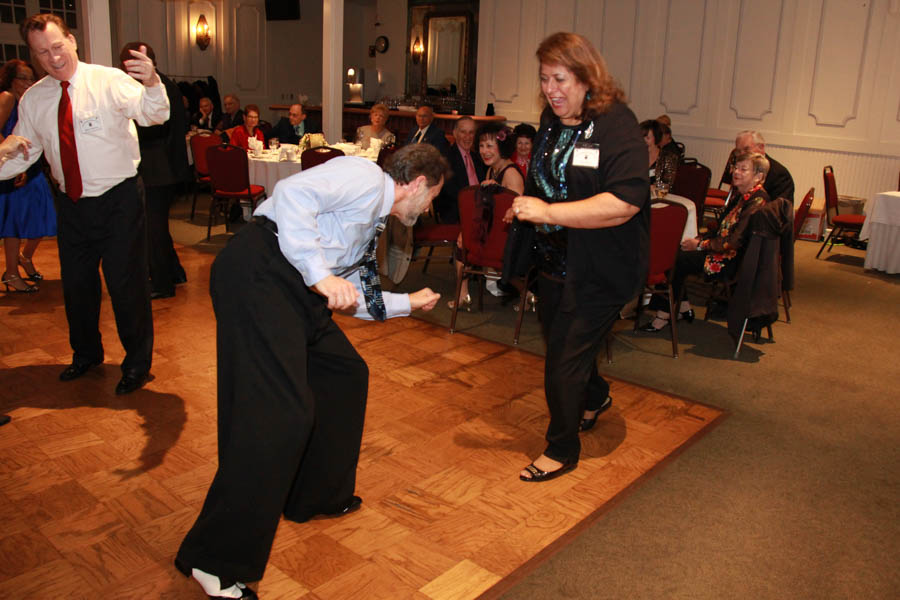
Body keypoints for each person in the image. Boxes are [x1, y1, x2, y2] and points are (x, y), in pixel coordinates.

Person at [175, 143, 448, 599]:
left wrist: (408, 303)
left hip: (297, 290)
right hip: (260, 276)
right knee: (278, 417)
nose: (430, 206)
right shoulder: (364, 178)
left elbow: (355, 295)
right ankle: (213, 560)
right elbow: (293, 194)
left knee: (345, 375)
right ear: (418, 183)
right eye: (433, 195)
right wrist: (320, 274)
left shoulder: (375, 217)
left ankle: (315, 494)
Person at [0, 13, 169, 395]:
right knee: (77, 286)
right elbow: (24, 153)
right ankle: (86, 354)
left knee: (126, 286)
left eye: (57, 46)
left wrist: (153, 82)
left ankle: (137, 363)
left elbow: (154, 114)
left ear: (72, 41)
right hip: (72, 204)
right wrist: (1, 154)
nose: (53, 57)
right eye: (42, 52)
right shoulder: (36, 97)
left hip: (119, 200)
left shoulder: (109, 81)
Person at [509, 32, 649, 482]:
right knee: (564, 344)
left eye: (561, 78)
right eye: (545, 79)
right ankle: (596, 396)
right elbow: (547, 179)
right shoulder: (552, 122)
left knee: (563, 359)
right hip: (553, 263)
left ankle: (561, 448)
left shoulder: (615, 123)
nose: (551, 89)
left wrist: (549, 211)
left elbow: (625, 201)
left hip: (601, 267)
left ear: (587, 77)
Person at [639, 151, 770, 332]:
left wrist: (700, 245)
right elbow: (720, 229)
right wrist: (699, 239)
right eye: (736, 168)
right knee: (677, 251)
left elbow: (733, 241)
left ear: (758, 177)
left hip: (732, 261)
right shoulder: (743, 195)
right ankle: (682, 307)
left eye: (743, 169)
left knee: (675, 259)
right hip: (724, 251)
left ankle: (663, 316)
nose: (736, 172)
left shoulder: (757, 202)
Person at [118, 42, 190, 300]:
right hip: (164, 168)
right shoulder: (167, 85)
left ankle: (161, 283)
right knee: (156, 227)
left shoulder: (152, 89)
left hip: (156, 169)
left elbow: (153, 131)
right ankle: (175, 272)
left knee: (152, 229)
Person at [448, 123, 525, 311]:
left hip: (513, 235)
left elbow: (517, 211)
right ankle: (463, 295)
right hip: (496, 230)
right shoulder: (492, 170)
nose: (484, 151)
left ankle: (527, 293)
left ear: (502, 147)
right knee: (461, 243)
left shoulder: (511, 173)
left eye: (490, 146)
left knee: (473, 247)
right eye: (481, 146)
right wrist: (466, 232)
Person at [0, 59, 56, 294]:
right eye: (22, 77)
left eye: (31, 78)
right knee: (14, 223)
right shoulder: (7, 97)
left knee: (43, 218)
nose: (28, 83)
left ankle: (24, 258)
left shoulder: (29, 101)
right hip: (13, 169)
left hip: (30, 168)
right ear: (11, 79)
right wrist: (12, 166)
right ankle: (11, 272)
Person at [434, 116, 484, 224]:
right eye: (463, 132)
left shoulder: (478, 158)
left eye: (471, 132)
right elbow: (451, 193)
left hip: (479, 212)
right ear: (455, 133)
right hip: (457, 215)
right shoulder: (446, 158)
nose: (467, 137)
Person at [722, 130, 794, 204]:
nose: (742, 154)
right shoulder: (739, 168)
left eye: (746, 149)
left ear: (761, 147)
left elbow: (779, 209)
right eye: (738, 151)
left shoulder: (779, 174)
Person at [640, 118, 664, 183]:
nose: (643, 141)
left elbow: (667, 185)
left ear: (656, 137)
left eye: (647, 138)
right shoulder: (635, 156)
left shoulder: (667, 158)